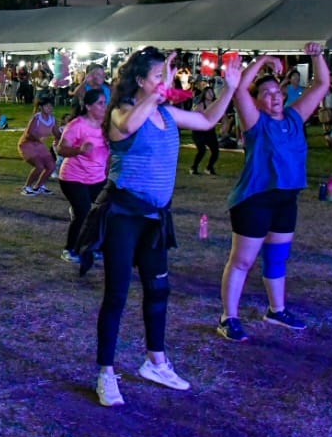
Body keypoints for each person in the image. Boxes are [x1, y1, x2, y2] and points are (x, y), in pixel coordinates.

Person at [89, 47, 241, 407]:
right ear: (141, 80)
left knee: (159, 290)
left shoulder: (166, 114)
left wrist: (230, 88)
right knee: (117, 294)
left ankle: (155, 362)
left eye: (165, 75)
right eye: (159, 75)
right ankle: (106, 373)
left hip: (155, 218)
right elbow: (128, 126)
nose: (166, 80)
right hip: (123, 215)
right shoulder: (121, 111)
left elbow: (207, 120)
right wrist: (155, 95)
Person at [217, 43, 329, 343]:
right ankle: (228, 317)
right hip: (255, 200)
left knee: (277, 258)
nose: (274, 96)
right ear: (256, 101)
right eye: (266, 93)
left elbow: (322, 84)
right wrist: (263, 59)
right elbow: (239, 89)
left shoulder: (294, 117)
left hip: (286, 199)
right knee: (242, 261)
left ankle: (276, 310)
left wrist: (316, 56)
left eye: (277, 92)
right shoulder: (255, 122)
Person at [56, 88, 108, 264]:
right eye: (100, 103)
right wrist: (79, 150)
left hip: (97, 177)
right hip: (73, 177)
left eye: (105, 103)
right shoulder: (77, 125)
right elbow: (60, 149)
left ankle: (93, 246)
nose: (104, 107)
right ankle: (69, 249)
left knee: (102, 211)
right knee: (84, 212)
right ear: (88, 106)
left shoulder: (107, 125)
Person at [17, 96, 60, 196]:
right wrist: (39, 139)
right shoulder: (36, 118)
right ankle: (26, 187)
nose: (50, 107)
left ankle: (39, 186)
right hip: (27, 144)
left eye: (51, 105)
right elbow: (29, 133)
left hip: (39, 145)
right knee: (39, 166)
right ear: (41, 107)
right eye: (47, 106)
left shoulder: (52, 119)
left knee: (51, 166)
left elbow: (57, 134)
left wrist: (67, 139)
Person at [188, 85, 222, 175]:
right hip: (199, 131)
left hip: (210, 131)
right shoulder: (201, 105)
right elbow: (192, 116)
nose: (211, 94)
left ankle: (209, 168)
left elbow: (223, 116)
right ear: (204, 94)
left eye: (212, 92)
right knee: (202, 150)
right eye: (208, 92)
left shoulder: (215, 104)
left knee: (215, 151)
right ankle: (193, 167)